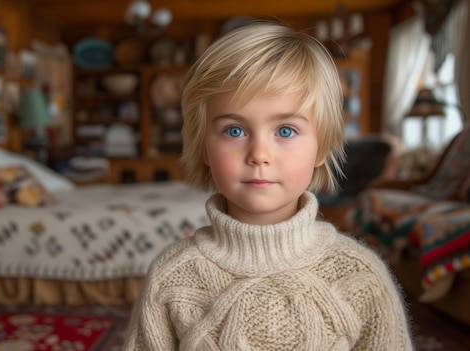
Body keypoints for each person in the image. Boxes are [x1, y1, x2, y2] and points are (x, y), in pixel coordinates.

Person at [123, 20, 413, 350]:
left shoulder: (361, 276)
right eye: (234, 131)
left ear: (321, 147)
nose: (259, 154)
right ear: (204, 147)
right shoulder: (172, 276)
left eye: (286, 131)